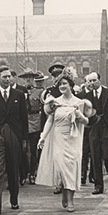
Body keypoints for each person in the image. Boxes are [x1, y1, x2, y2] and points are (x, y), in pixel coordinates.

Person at [35, 69, 91, 212]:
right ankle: (65, 192)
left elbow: (86, 122)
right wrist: (43, 137)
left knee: (71, 168)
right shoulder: (54, 102)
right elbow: (49, 121)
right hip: (58, 138)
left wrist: (79, 115)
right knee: (61, 168)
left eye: (64, 83)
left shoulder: (79, 102)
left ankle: (70, 199)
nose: (62, 86)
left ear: (71, 85)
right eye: (60, 84)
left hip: (73, 138)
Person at [0, 65, 28, 214]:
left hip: (14, 135)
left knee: (13, 168)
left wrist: (24, 140)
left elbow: (24, 119)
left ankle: (14, 199)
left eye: (9, 76)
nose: (8, 79)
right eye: (5, 77)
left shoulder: (18, 95)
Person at [84, 72, 108, 195]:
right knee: (95, 157)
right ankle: (98, 186)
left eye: (94, 80)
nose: (92, 83)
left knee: (107, 156)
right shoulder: (87, 96)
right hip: (94, 128)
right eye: (89, 81)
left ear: (99, 81)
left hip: (107, 126)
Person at [40, 63, 65, 194]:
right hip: (53, 126)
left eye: (59, 74)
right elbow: (45, 114)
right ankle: (58, 181)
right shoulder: (49, 92)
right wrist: (43, 132)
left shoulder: (67, 90)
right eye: (54, 75)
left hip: (65, 126)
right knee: (55, 155)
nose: (57, 77)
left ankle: (65, 180)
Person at [26, 71, 47, 184]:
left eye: (30, 78)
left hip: (36, 123)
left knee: (34, 150)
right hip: (24, 122)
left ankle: (33, 173)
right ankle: (25, 173)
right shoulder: (23, 91)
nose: (28, 80)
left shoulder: (41, 92)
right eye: (27, 78)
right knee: (25, 151)